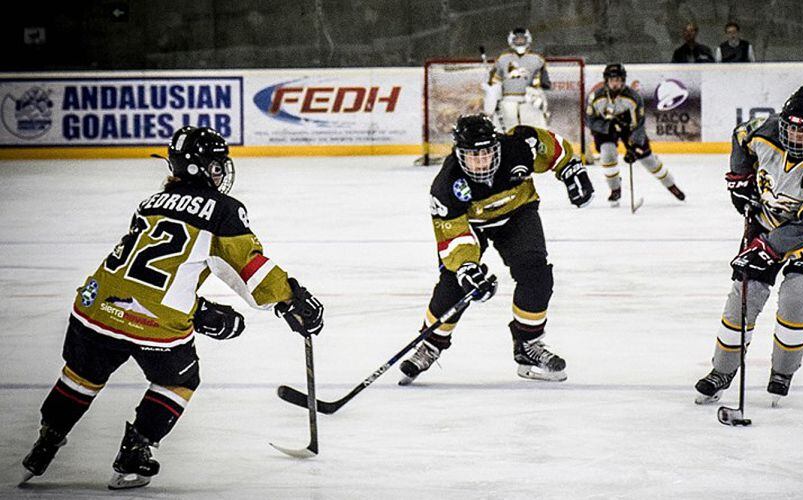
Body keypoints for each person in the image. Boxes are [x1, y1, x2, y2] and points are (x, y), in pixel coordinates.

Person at [19, 127, 325, 490]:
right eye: (214, 165)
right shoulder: (223, 211)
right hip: (152, 323)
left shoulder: (150, 203)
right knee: (179, 380)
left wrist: (197, 310)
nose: (220, 172)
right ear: (197, 168)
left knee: (82, 375)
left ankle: (47, 439)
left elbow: (143, 273)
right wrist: (292, 299)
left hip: (94, 307)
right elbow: (251, 270)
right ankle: (135, 451)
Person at [694, 85, 803, 406]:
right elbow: (741, 135)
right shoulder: (766, 131)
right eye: (791, 128)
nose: (795, 136)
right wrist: (739, 179)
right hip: (770, 220)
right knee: (746, 291)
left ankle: (783, 371)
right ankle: (722, 371)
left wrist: (767, 247)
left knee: (796, 293)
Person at [400, 114, 592, 384]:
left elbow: (552, 147)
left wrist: (572, 170)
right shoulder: (446, 186)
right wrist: (466, 268)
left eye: (486, 154)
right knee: (454, 284)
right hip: (472, 225)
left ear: (497, 146)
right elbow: (453, 235)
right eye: (472, 156)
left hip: (517, 213)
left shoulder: (519, 146)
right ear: (459, 153)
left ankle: (528, 344)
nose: (480, 163)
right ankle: (430, 343)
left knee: (535, 274)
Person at [585, 63, 685, 205]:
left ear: (623, 81)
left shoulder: (633, 97)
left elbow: (639, 124)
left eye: (618, 80)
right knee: (608, 155)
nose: (615, 83)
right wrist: (608, 126)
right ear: (606, 80)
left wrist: (635, 145)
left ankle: (671, 185)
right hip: (605, 128)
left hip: (629, 128)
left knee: (648, 160)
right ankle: (615, 189)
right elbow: (589, 120)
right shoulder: (596, 97)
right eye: (612, 80)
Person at [485, 27, 551, 131]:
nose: (520, 41)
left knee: (534, 129)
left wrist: (538, 94)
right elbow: (494, 81)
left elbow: (545, 82)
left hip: (530, 99)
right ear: (511, 40)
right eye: (517, 39)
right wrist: (492, 98)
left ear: (528, 39)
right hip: (508, 99)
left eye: (522, 39)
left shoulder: (537, 58)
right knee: (507, 129)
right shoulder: (503, 58)